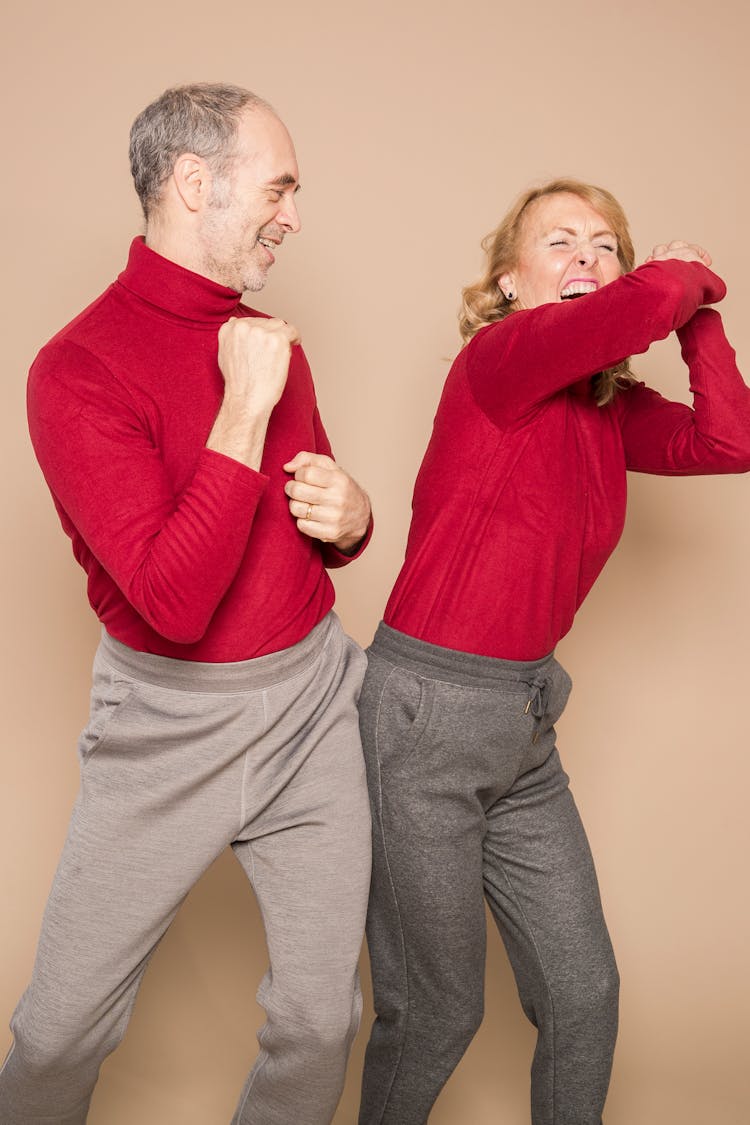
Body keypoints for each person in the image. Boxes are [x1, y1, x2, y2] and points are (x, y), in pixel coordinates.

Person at [1, 83, 373, 1125]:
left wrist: (352, 520)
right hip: (165, 727)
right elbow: (171, 600)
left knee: (320, 1020)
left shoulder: (269, 340)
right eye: (280, 188)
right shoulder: (74, 373)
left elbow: (306, 520)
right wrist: (242, 407)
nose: (294, 216)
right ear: (195, 183)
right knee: (60, 1032)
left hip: (310, 705)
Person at [357, 178, 750, 1125]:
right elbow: (643, 303)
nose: (586, 258)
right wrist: (682, 278)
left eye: (606, 243)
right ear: (507, 283)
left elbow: (729, 440)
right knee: (438, 1013)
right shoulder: (500, 359)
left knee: (585, 996)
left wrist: (697, 318)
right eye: (559, 242)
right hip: (426, 721)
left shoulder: (610, 411)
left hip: (527, 724)